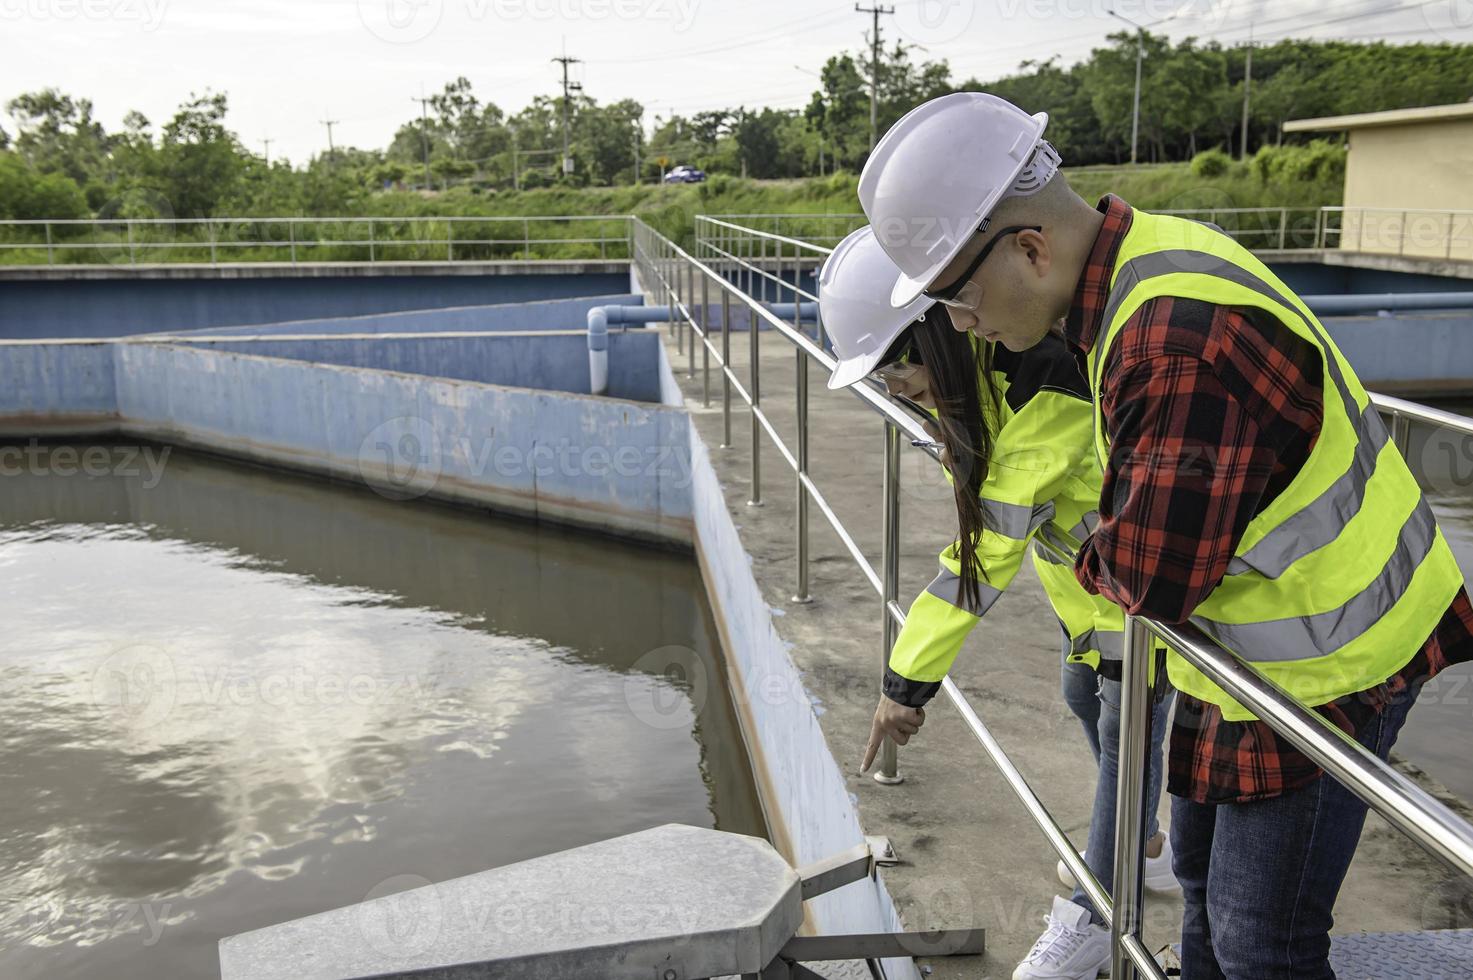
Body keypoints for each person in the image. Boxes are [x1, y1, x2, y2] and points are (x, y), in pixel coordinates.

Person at [854, 91, 1473, 980]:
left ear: (1027, 248)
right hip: (1253, 646)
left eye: (954, 297)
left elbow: (1147, 581)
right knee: (1198, 894)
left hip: (1322, 663)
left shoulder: (1166, 344)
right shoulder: (1151, 256)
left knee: (1262, 941)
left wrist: (1088, 540)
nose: (959, 325)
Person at [822, 226, 1178, 980]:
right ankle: (1139, 841)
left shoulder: (1040, 377)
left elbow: (981, 555)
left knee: (1126, 731)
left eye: (895, 366)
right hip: (1089, 592)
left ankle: (1092, 917)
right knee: (1081, 694)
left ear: (933, 335)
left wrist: (904, 686)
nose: (892, 386)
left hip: (1143, 595)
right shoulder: (981, 373)